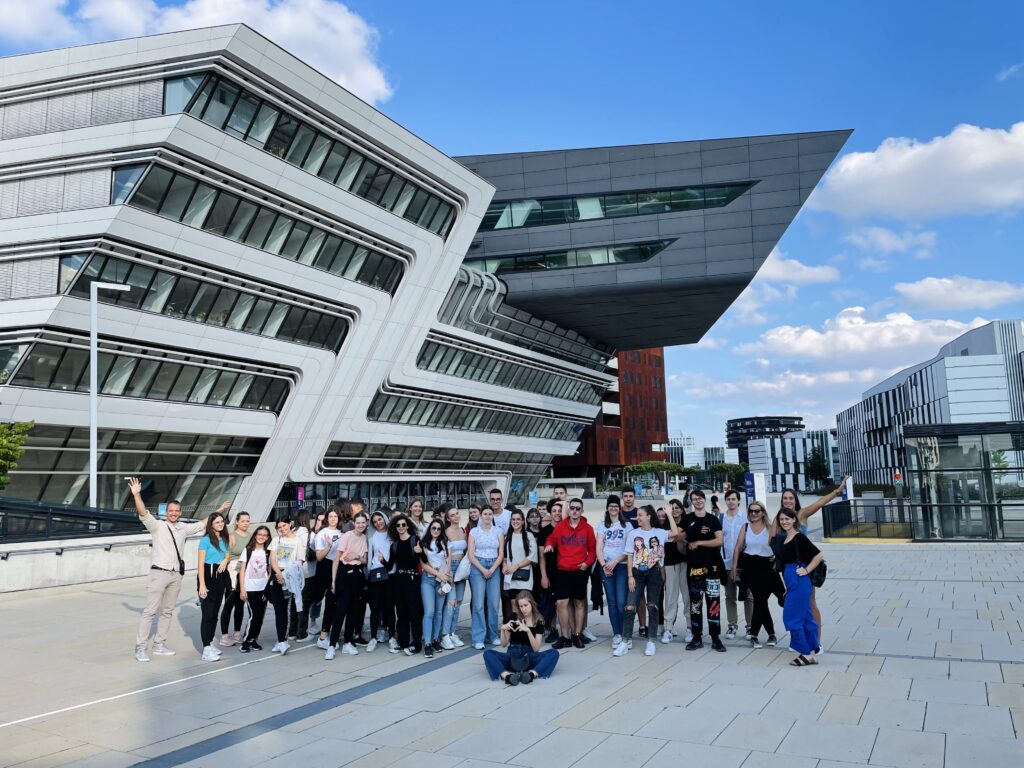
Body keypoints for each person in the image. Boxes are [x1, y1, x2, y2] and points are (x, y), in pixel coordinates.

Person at [129, 477, 229, 662]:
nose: (174, 513)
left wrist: (219, 510)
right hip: (159, 572)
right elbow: (143, 512)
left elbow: (203, 523)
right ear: (166, 512)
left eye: (176, 511)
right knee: (150, 611)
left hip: (176, 575)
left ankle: (159, 644)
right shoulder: (157, 526)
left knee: (167, 611)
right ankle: (140, 647)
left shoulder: (183, 528)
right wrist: (136, 495)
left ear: (180, 512)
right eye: (171, 511)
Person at [771, 478, 847, 653]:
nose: (788, 501)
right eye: (785, 498)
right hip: (788, 569)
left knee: (810, 603)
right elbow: (772, 540)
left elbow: (820, 503)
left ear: (795, 500)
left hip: (805, 567)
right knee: (796, 603)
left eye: (791, 498)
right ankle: (799, 641)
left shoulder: (801, 514)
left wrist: (837, 491)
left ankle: (816, 642)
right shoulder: (779, 518)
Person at [614, 504, 680, 657]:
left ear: (649, 516)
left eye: (640, 515)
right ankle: (625, 641)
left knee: (652, 606)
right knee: (630, 606)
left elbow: (675, 533)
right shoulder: (633, 534)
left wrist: (669, 514)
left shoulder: (660, 533)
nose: (638, 518)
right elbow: (629, 555)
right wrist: (630, 576)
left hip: (654, 573)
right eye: (637, 515)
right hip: (637, 573)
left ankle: (651, 641)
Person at [544, 497, 596, 649]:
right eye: (572, 508)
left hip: (579, 571)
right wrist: (548, 545)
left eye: (578, 509)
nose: (574, 511)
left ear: (582, 511)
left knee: (579, 603)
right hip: (563, 571)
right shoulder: (561, 526)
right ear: (568, 510)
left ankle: (577, 635)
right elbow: (551, 539)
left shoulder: (588, 529)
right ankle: (565, 636)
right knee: (562, 604)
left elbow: (592, 550)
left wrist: (586, 563)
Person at [777, 507, 823, 666]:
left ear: (794, 520)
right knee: (806, 618)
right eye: (782, 519)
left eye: (787, 519)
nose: (784, 522)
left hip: (799, 580)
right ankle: (812, 653)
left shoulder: (799, 537)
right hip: (792, 581)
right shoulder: (785, 538)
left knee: (791, 617)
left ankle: (805, 653)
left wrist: (807, 570)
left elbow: (818, 555)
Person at [483, 592, 559, 685]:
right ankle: (507, 676)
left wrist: (528, 631)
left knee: (554, 653)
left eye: (526, 605)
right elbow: (504, 644)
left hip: (529, 656)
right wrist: (503, 629)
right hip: (512, 654)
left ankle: (531, 674)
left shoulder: (539, 620)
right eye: (521, 606)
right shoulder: (514, 617)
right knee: (488, 653)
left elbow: (536, 648)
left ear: (532, 604)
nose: (523, 609)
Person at [682, 489, 726, 652]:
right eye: (695, 499)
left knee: (714, 603)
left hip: (712, 568)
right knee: (695, 604)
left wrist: (699, 542)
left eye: (700, 498)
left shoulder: (712, 519)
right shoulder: (687, 519)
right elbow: (679, 536)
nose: (698, 501)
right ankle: (697, 637)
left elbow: (719, 540)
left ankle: (715, 637)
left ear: (705, 499)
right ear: (691, 501)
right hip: (694, 569)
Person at [731, 502, 778, 648]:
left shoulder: (770, 527)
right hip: (750, 568)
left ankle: (758, 634)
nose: (753, 514)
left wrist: (777, 561)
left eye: (757, 511)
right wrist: (734, 568)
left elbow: (779, 546)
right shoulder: (745, 527)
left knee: (760, 601)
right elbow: (738, 547)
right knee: (759, 600)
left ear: (763, 512)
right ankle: (765, 634)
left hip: (767, 568)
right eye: (751, 511)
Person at [325, 512, 369, 658]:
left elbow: (364, 561)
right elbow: (336, 559)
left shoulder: (364, 538)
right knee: (340, 610)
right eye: (358, 522)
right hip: (344, 574)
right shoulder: (347, 536)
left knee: (353, 611)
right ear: (354, 523)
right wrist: (333, 580)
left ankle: (348, 643)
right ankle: (332, 645)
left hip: (357, 575)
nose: (361, 525)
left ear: (366, 524)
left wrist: (357, 556)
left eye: (363, 523)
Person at [239, 525, 287, 653]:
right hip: (250, 588)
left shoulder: (268, 552)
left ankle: (253, 639)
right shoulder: (248, 550)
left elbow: (271, 570)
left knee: (260, 616)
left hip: (264, 589)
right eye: (260, 534)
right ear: (255, 535)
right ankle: (246, 641)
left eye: (265, 535)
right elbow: (242, 571)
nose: (262, 537)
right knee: (254, 616)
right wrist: (242, 589)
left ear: (268, 537)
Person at [383, 513, 423, 655]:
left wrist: (420, 552)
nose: (401, 527)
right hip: (399, 580)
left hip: (413, 579)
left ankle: (416, 644)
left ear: (407, 526)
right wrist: (382, 560)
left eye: (403, 525)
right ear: (395, 528)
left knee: (414, 612)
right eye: (398, 525)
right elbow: (390, 566)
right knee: (401, 613)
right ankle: (402, 642)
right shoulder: (394, 545)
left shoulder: (415, 540)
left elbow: (424, 560)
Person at [596, 495, 632, 648]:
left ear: (619, 508)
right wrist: (604, 565)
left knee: (621, 601)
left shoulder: (627, 525)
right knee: (611, 602)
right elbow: (599, 548)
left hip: (622, 565)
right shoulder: (602, 526)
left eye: (616, 506)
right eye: (611, 506)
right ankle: (617, 634)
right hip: (606, 567)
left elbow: (629, 549)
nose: (613, 508)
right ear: (607, 508)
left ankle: (626, 634)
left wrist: (615, 561)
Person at [303, 508, 342, 650]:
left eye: (335, 516)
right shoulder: (322, 534)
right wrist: (329, 546)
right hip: (324, 567)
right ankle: (311, 629)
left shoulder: (342, 534)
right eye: (330, 516)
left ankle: (326, 633)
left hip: (338, 567)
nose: (333, 518)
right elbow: (319, 557)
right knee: (317, 599)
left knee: (334, 601)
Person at [468, 507, 505, 649]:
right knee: (478, 604)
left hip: (494, 566)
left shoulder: (498, 531)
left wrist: (493, 568)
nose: (488, 516)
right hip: (478, 566)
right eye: (485, 514)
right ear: (481, 516)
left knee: (494, 604)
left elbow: (501, 553)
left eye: (490, 514)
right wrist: (483, 569)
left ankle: (492, 635)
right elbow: (470, 555)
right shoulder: (474, 532)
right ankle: (478, 638)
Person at [196, 512, 231, 661]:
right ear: (211, 525)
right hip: (207, 576)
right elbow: (200, 564)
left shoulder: (224, 538)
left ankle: (210, 643)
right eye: (217, 522)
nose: (220, 524)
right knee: (208, 614)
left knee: (215, 613)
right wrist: (202, 585)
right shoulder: (205, 540)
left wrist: (225, 561)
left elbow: (227, 554)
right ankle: (206, 649)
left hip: (220, 576)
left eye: (222, 521)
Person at [269, 518, 305, 655]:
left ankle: (283, 640)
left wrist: (285, 575)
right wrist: (279, 574)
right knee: (279, 610)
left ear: (290, 524)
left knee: (287, 610)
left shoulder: (298, 541)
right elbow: (272, 559)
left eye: (284, 525)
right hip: (277, 577)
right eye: (279, 527)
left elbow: (300, 561)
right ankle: (280, 640)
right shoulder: (276, 540)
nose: (282, 529)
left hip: (289, 579)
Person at [719, 489, 750, 640]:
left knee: (748, 596)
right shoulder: (720, 519)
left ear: (738, 501)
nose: (731, 501)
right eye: (728, 499)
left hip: (743, 565)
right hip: (726, 564)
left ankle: (750, 626)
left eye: (733, 499)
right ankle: (732, 625)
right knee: (729, 596)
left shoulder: (746, 519)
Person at [419, 519, 452, 657]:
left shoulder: (446, 543)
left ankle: (435, 639)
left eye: (439, 529)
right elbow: (424, 565)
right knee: (429, 612)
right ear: (430, 529)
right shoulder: (423, 543)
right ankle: (427, 643)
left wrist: (444, 579)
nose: (436, 531)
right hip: (428, 579)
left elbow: (448, 563)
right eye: (434, 528)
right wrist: (438, 574)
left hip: (442, 580)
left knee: (438, 612)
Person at [220, 511, 251, 647]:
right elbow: (225, 556)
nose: (245, 523)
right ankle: (224, 635)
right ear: (237, 522)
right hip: (233, 571)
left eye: (247, 521)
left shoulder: (251, 536)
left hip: (246, 571)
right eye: (243, 521)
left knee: (240, 604)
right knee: (229, 603)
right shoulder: (231, 536)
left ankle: (237, 633)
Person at [501, 510, 537, 620]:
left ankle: (528, 628)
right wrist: (504, 566)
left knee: (525, 606)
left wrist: (516, 566)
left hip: (524, 576)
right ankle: (517, 629)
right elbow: (505, 556)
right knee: (514, 606)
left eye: (518, 519)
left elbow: (532, 556)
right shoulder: (507, 537)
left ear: (522, 521)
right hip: (511, 577)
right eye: (513, 519)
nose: (515, 521)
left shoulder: (529, 536)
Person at [367, 509, 395, 651]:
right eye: (375, 521)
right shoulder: (371, 536)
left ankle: (392, 637)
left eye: (380, 519)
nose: (378, 523)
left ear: (384, 518)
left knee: (389, 607)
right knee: (375, 607)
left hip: (390, 573)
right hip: (375, 572)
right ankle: (373, 637)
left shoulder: (393, 534)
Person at [440, 506, 468, 649]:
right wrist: (447, 571)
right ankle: (445, 634)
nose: (456, 516)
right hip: (451, 567)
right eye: (452, 515)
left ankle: (452, 632)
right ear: (448, 518)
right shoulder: (445, 532)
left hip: (462, 567)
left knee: (459, 601)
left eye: (457, 513)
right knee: (451, 602)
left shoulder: (463, 531)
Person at [537, 498, 561, 641]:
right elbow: (542, 557)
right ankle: (552, 629)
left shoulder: (566, 529)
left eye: (559, 511)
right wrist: (544, 576)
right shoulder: (544, 532)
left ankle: (568, 630)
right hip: (550, 571)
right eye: (554, 511)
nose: (557, 513)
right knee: (550, 601)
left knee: (563, 602)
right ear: (550, 513)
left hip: (564, 571)